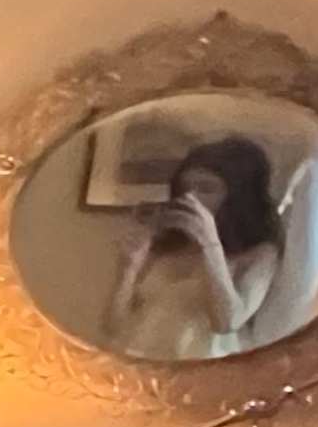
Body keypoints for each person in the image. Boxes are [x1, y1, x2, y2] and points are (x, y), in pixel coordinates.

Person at [106, 134, 286, 359]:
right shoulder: (167, 245)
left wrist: (209, 243)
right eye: (184, 189)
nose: (191, 198)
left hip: (202, 368)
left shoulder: (259, 254)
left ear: (236, 197)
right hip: (142, 360)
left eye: (206, 189)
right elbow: (114, 327)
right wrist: (128, 269)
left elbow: (227, 322)